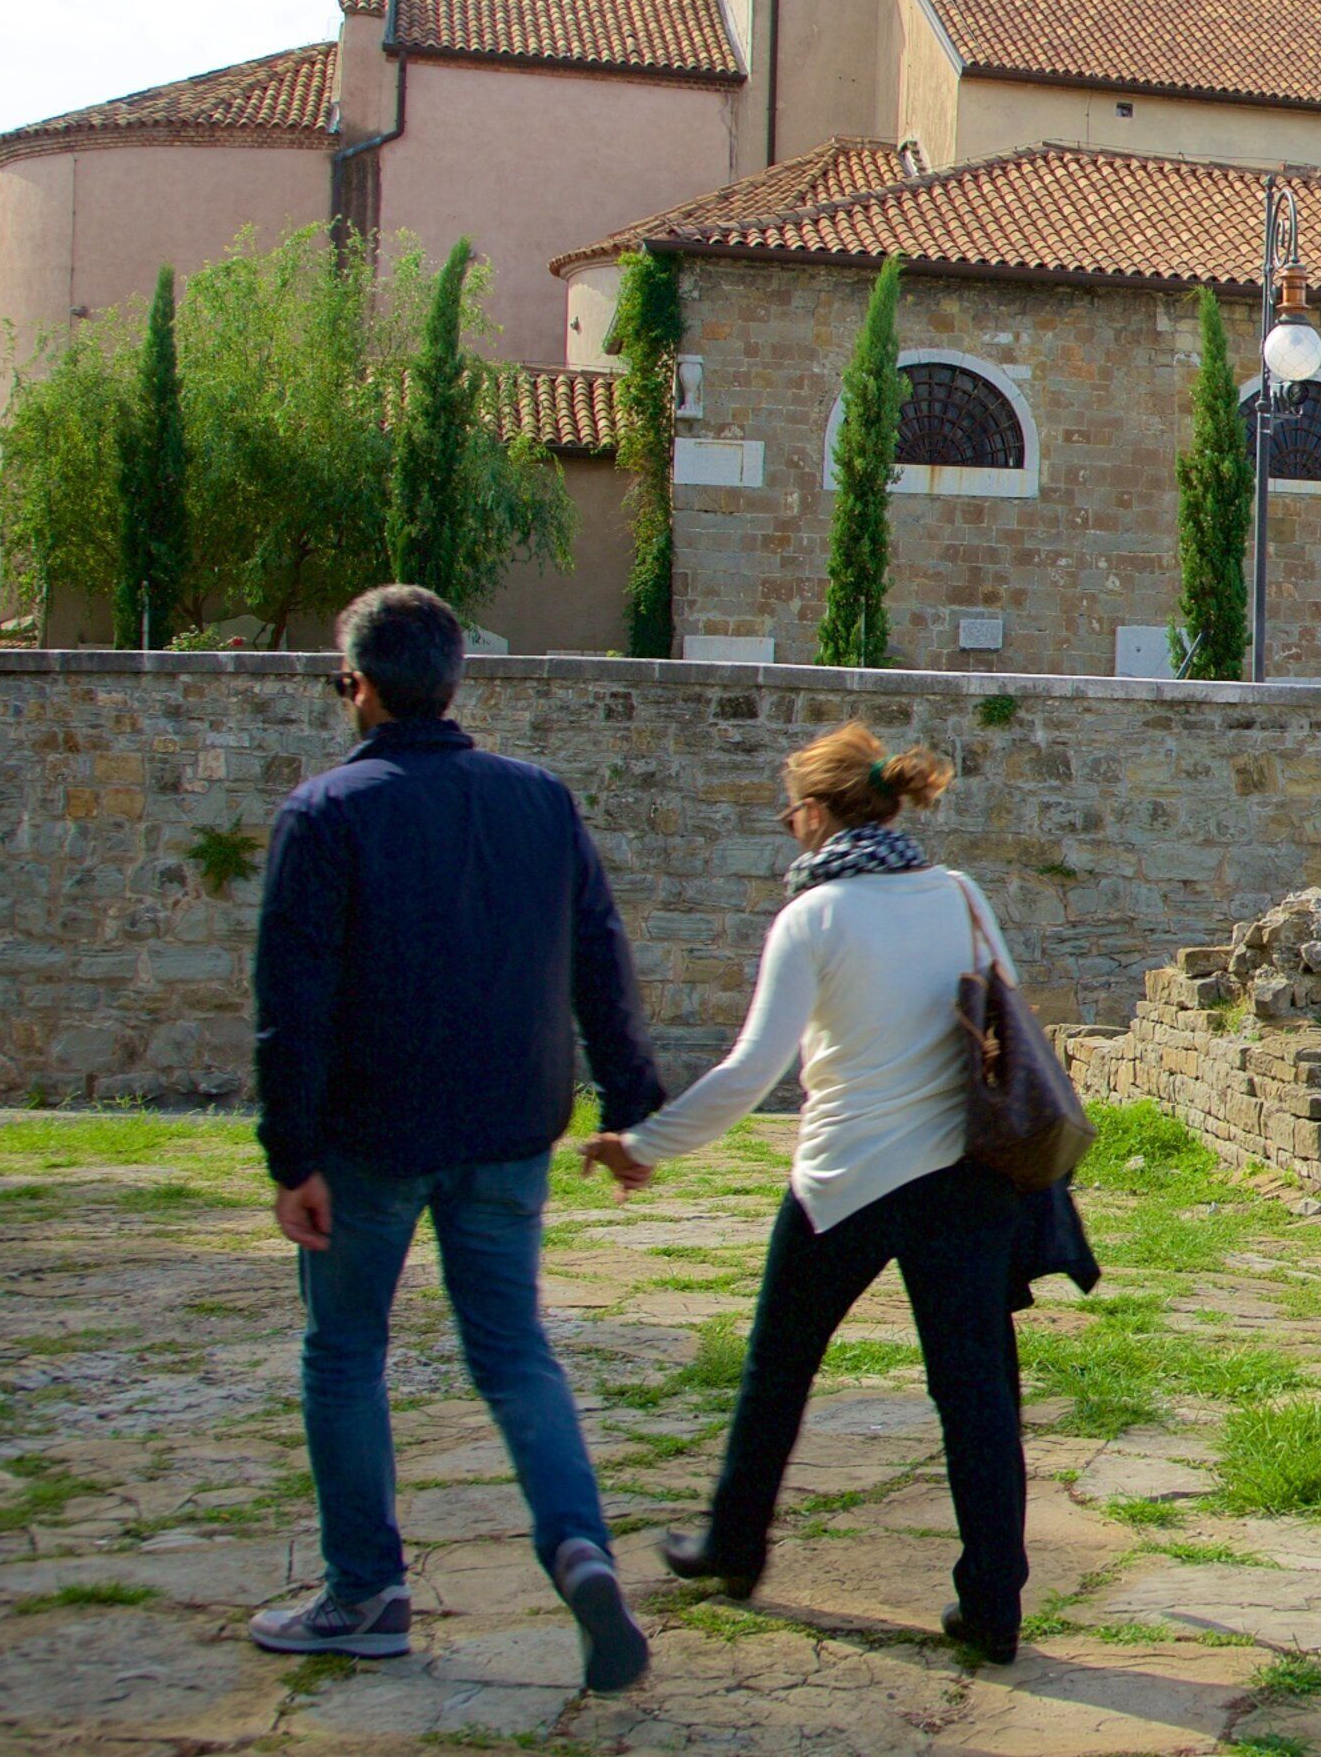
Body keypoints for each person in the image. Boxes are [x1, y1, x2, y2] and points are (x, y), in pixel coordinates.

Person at [248, 585, 661, 1692]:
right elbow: (599, 961)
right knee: (515, 1351)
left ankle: (366, 1591)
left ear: (364, 688)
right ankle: (578, 1547)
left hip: (368, 1140)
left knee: (344, 1355)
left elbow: (292, 1005)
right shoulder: (538, 801)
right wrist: (631, 1104)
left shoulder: (324, 814)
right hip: (506, 1131)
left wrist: (290, 1159)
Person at [580, 723, 1045, 1661]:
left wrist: (645, 1144)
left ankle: (733, 1543)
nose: (789, 824)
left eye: (791, 808)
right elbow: (1008, 1012)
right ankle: (993, 1603)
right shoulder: (959, 894)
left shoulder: (813, 918)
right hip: (965, 1175)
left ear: (822, 814)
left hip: (847, 1177)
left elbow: (755, 1067)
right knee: (978, 1394)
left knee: (779, 1364)